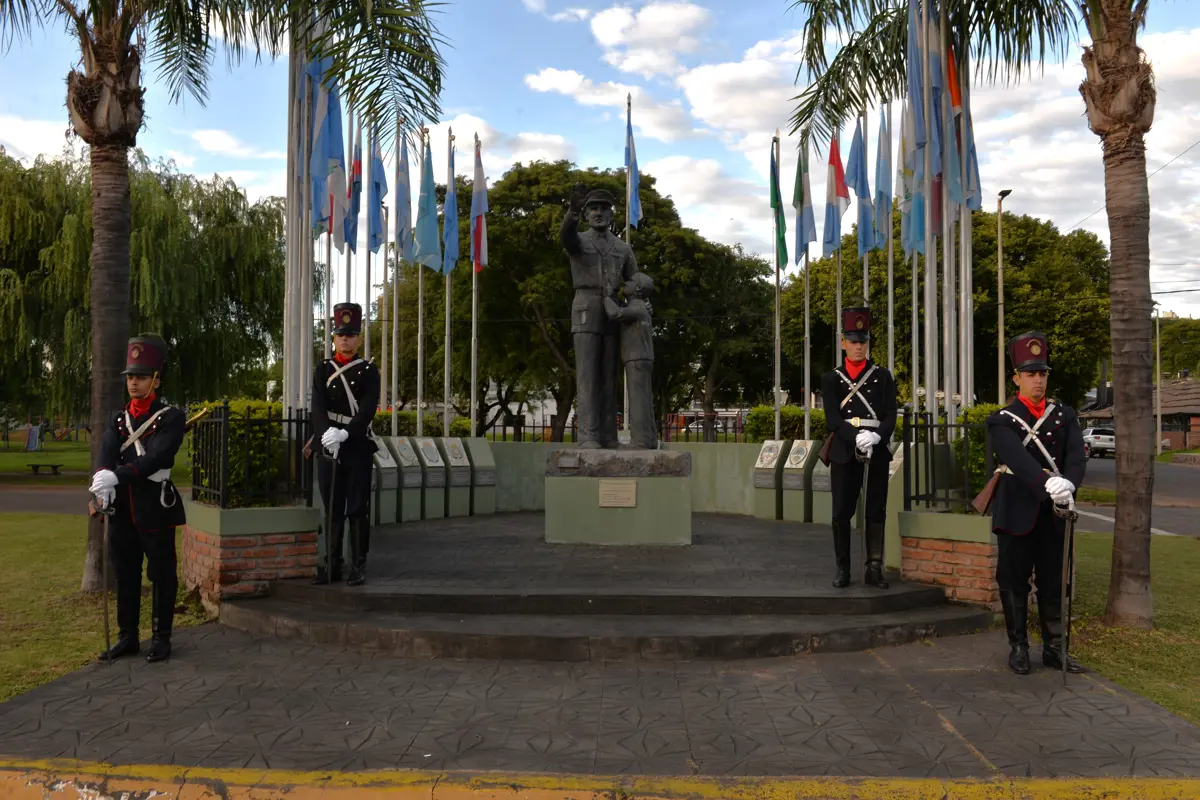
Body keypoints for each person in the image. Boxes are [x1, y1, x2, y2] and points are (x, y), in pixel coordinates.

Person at [988, 331, 1086, 675]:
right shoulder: (1002, 419)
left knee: (1053, 582)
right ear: (1017, 378)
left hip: (1055, 513)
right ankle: (1018, 647)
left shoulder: (1065, 415)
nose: (1038, 380)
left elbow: (1076, 455)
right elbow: (1016, 458)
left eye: (1042, 373)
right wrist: (1049, 483)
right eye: (1031, 374)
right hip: (1016, 511)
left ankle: (1055, 649)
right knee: (1014, 582)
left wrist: (1069, 484)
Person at [89, 334, 187, 663]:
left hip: (155, 506)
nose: (134, 383)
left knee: (161, 573)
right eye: (130, 376)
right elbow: (106, 449)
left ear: (156, 379)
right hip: (121, 509)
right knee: (126, 572)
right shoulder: (118, 419)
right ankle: (127, 636)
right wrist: (102, 477)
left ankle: (161, 636)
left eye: (141, 376)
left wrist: (118, 475)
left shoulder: (171, 417)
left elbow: (157, 458)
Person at [820, 304, 898, 589]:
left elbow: (891, 413)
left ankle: (874, 569)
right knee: (842, 511)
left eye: (862, 342)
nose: (858, 347)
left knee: (876, 509)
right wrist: (856, 437)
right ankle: (843, 568)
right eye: (853, 341)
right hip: (844, 448)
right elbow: (832, 419)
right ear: (843, 343)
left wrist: (878, 437)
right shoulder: (831, 379)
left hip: (876, 447)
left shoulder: (883, 376)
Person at [560, 184, 639, 449]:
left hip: (613, 310)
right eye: (593, 208)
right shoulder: (579, 240)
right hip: (585, 306)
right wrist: (571, 211)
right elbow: (565, 236)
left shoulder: (623, 248)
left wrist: (639, 306)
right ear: (586, 214)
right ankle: (588, 435)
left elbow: (634, 282)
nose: (598, 213)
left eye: (603, 209)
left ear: (611, 215)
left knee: (608, 376)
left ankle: (608, 435)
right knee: (587, 375)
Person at [312, 302, 380, 586]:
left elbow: (367, 410)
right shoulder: (323, 369)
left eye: (351, 334)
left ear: (359, 339)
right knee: (333, 506)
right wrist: (326, 434)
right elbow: (316, 405)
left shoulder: (368, 370)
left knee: (356, 508)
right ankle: (333, 563)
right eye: (340, 333)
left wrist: (346, 434)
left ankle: (358, 564)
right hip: (329, 445)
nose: (345, 338)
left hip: (356, 446)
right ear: (333, 338)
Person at [605, 272, 657, 450]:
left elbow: (615, 313)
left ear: (639, 289)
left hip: (636, 357)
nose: (626, 283)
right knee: (643, 398)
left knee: (637, 399)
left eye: (631, 281)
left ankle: (640, 441)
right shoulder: (641, 307)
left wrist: (604, 296)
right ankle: (649, 439)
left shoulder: (637, 307)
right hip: (642, 357)